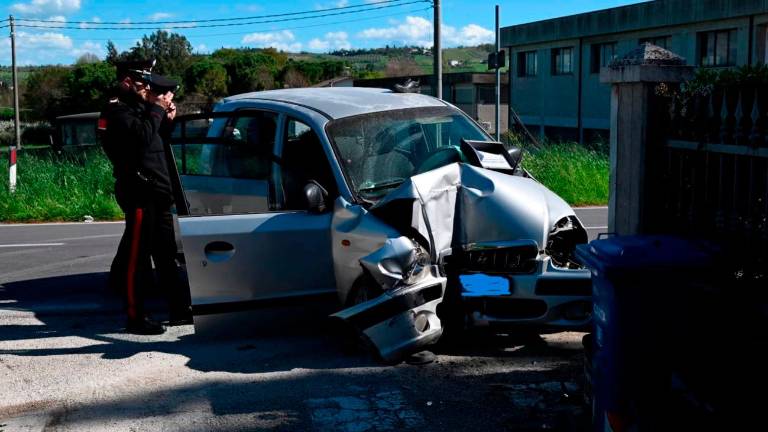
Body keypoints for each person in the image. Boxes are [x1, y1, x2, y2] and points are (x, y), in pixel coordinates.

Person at [99, 60, 190, 335]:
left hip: (159, 192)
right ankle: (135, 316)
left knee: (166, 255)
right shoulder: (117, 111)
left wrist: (166, 118)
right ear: (127, 82)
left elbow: (156, 142)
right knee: (138, 259)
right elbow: (140, 138)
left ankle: (179, 309)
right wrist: (157, 110)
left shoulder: (140, 109)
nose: (147, 89)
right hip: (139, 192)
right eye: (143, 84)